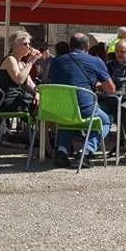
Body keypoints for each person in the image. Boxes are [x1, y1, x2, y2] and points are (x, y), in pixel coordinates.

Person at [47, 33, 115, 168]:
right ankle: (86, 151)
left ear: (70, 46)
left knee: (68, 119)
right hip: (85, 109)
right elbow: (111, 89)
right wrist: (97, 84)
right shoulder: (96, 61)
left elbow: (52, 81)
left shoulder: (56, 61)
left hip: (59, 109)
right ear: (87, 46)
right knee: (106, 120)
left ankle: (62, 151)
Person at [0, 30, 42, 113]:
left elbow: (30, 83)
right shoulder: (10, 59)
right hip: (6, 101)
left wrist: (37, 93)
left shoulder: (22, 64)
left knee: (47, 103)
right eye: (25, 44)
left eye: (29, 44)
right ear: (14, 46)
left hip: (17, 99)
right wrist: (30, 62)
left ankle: (46, 125)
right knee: (45, 107)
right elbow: (19, 80)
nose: (29, 47)